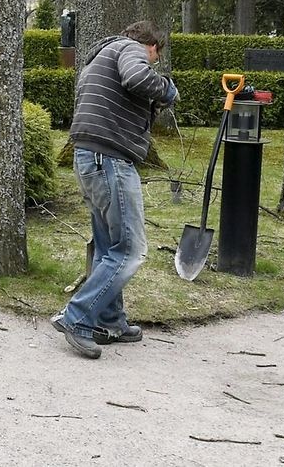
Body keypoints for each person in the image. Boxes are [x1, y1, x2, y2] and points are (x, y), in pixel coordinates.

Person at [53, 20, 179, 359]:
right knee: (130, 249)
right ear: (152, 46)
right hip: (109, 159)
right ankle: (78, 318)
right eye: (156, 57)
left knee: (110, 245)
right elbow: (138, 79)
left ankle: (110, 321)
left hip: (88, 157)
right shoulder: (131, 50)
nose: (153, 62)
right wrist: (167, 90)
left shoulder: (99, 58)